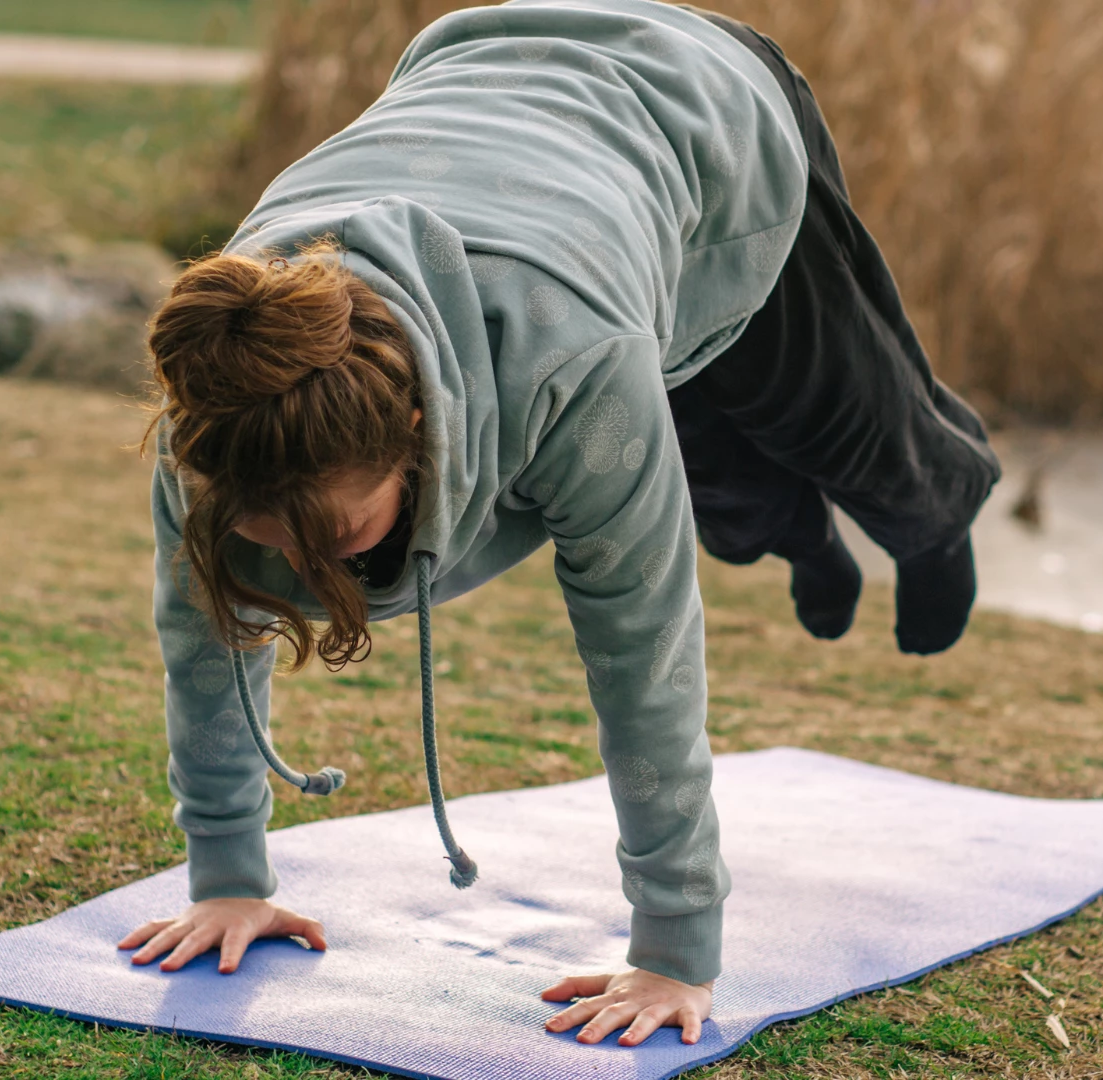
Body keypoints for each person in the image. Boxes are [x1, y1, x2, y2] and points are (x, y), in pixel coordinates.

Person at [115, 0, 1000, 1049]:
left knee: (838, 414)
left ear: (410, 428)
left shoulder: (568, 365)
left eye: (333, 534)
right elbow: (206, 642)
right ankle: (802, 542)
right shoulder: (225, 421)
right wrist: (226, 875)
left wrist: (674, 948)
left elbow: (644, 647)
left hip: (702, 111)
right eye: (277, 540)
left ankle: (932, 521)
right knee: (714, 480)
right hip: (495, 99)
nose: (301, 570)